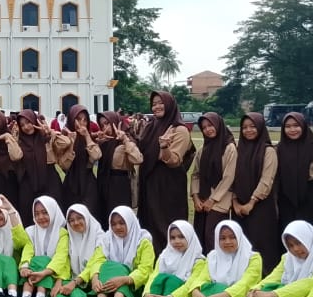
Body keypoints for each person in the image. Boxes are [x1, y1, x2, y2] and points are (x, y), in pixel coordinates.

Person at [170, 220, 263, 297]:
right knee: (204, 287)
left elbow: (246, 283)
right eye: (222, 238)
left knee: (218, 286)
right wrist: (195, 291)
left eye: (232, 237)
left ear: (239, 237)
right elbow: (203, 278)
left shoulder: (253, 257)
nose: (227, 242)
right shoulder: (213, 256)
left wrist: (225, 294)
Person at [137, 91, 195, 253]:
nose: (156, 107)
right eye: (154, 104)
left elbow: (174, 160)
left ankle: (173, 259)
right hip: (150, 182)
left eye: (160, 103)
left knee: (166, 224)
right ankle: (151, 259)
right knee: (149, 223)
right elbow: (141, 150)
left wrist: (164, 147)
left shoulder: (179, 130)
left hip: (168, 185)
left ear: (169, 104)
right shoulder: (151, 127)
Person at [132, 221, 206, 297]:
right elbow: (153, 276)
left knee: (172, 280)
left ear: (190, 237)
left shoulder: (198, 261)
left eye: (181, 237)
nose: (177, 241)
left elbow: (190, 286)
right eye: (172, 238)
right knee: (159, 278)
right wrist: (146, 294)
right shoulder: (164, 256)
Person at [84, 206, 155, 297]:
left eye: (122, 223)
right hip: (108, 289)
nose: (117, 227)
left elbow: (146, 270)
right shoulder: (107, 238)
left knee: (119, 268)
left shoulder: (143, 241)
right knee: (107, 265)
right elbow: (97, 260)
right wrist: (95, 278)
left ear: (130, 222)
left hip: (132, 293)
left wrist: (125, 279)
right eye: (113, 224)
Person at [232, 113, 280, 275]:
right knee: (243, 245)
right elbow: (232, 178)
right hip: (239, 208)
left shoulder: (268, 151)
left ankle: (265, 280)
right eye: (244, 127)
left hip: (261, 207)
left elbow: (267, 180)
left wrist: (251, 203)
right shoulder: (239, 150)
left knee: (262, 246)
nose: (248, 130)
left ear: (260, 128)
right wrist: (235, 203)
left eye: (253, 126)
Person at [275, 112, 313, 236]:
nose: (292, 129)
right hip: (285, 200)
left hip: (310, 199)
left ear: (304, 127)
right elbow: (275, 180)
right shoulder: (277, 151)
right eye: (288, 126)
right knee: (288, 236)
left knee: (311, 235)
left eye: (296, 125)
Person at [191, 112, 236, 251]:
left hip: (220, 201)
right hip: (202, 200)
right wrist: (195, 197)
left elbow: (229, 177)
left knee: (212, 236)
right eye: (204, 127)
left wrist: (212, 200)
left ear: (218, 125)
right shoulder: (202, 150)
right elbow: (195, 175)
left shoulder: (229, 148)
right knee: (200, 236)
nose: (208, 130)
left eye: (210, 125)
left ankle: (216, 263)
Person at [51, 204, 103, 297]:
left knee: (70, 286)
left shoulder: (100, 237)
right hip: (75, 281)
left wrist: (75, 282)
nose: (75, 223)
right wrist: (59, 281)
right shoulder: (70, 238)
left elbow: (95, 262)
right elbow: (66, 263)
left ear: (87, 218)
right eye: (71, 220)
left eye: (79, 218)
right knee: (59, 285)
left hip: (94, 282)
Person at [18, 196, 68, 297]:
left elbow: (60, 257)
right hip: (33, 270)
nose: (40, 217)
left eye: (45, 213)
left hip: (52, 272)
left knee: (44, 260)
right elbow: (28, 250)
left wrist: (45, 272)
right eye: (37, 214)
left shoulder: (62, 233)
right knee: (35, 261)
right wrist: (24, 267)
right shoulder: (31, 231)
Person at [14, 110, 64, 224]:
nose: (26, 127)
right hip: (28, 182)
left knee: (52, 214)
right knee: (29, 215)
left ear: (35, 121)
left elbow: (66, 143)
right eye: (22, 125)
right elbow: (15, 156)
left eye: (28, 122)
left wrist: (49, 132)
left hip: (49, 180)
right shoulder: (20, 142)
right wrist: (13, 138)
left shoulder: (46, 137)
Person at [56, 106, 103, 224]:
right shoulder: (64, 138)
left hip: (88, 182)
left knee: (89, 216)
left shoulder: (89, 138)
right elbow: (64, 165)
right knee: (72, 217)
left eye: (85, 120)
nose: (81, 123)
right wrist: (71, 142)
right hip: (71, 183)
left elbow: (96, 156)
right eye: (78, 119)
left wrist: (87, 136)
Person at [95, 111, 141, 213]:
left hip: (120, 185)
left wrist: (124, 139)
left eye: (107, 123)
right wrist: (97, 141)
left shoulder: (126, 140)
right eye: (102, 125)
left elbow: (138, 159)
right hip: (104, 183)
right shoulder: (104, 142)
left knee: (119, 215)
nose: (105, 127)